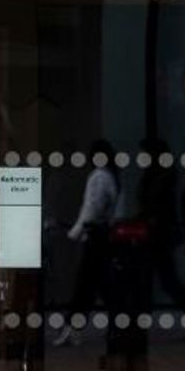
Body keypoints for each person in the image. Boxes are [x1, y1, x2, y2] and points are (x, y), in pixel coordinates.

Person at [55, 137, 120, 347]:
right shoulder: (110, 175)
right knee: (95, 286)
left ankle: (74, 328)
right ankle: (111, 326)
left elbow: (92, 208)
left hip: (95, 235)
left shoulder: (99, 177)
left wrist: (76, 232)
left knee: (87, 285)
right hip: (101, 235)